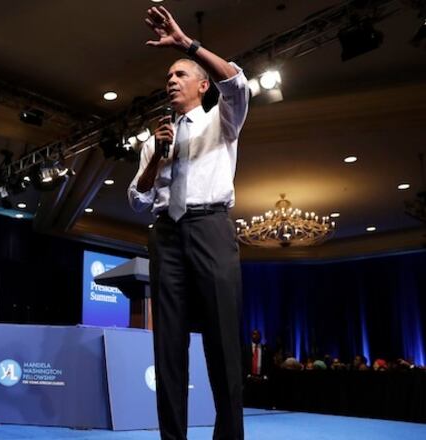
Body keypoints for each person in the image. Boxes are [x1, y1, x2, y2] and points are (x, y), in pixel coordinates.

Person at [127, 6, 250, 440]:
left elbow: (236, 82)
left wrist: (187, 45)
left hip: (211, 227)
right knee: (168, 346)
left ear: (202, 85)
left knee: (223, 342)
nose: (172, 80)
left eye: (180, 74)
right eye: (168, 77)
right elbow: (138, 199)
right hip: (166, 234)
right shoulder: (154, 139)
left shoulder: (223, 120)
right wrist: (157, 157)